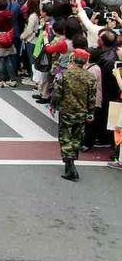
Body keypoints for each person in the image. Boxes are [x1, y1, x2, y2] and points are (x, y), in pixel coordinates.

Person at [51, 48, 97, 181]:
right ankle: (71, 163)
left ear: (73, 59)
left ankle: (70, 165)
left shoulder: (64, 74)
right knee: (76, 138)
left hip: (66, 111)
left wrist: (54, 105)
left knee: (65, 137)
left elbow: (57, 93)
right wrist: (91, 112)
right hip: (81, 112)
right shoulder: (90, 77)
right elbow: (92, 98)